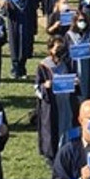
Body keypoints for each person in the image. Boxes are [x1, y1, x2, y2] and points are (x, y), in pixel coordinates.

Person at [36, 35, 80, 167]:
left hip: (66, 103)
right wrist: (45, 86)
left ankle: (67, 153)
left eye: (62, 47)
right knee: (51, 130)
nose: (60, 50)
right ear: (50, 49)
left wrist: (76, 82)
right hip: (51, 105)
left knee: (67, 126)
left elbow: (74, 79)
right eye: (57, 47)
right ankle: (52, 157)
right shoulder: (43, 66)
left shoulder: (66, 63)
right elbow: (37, 88)